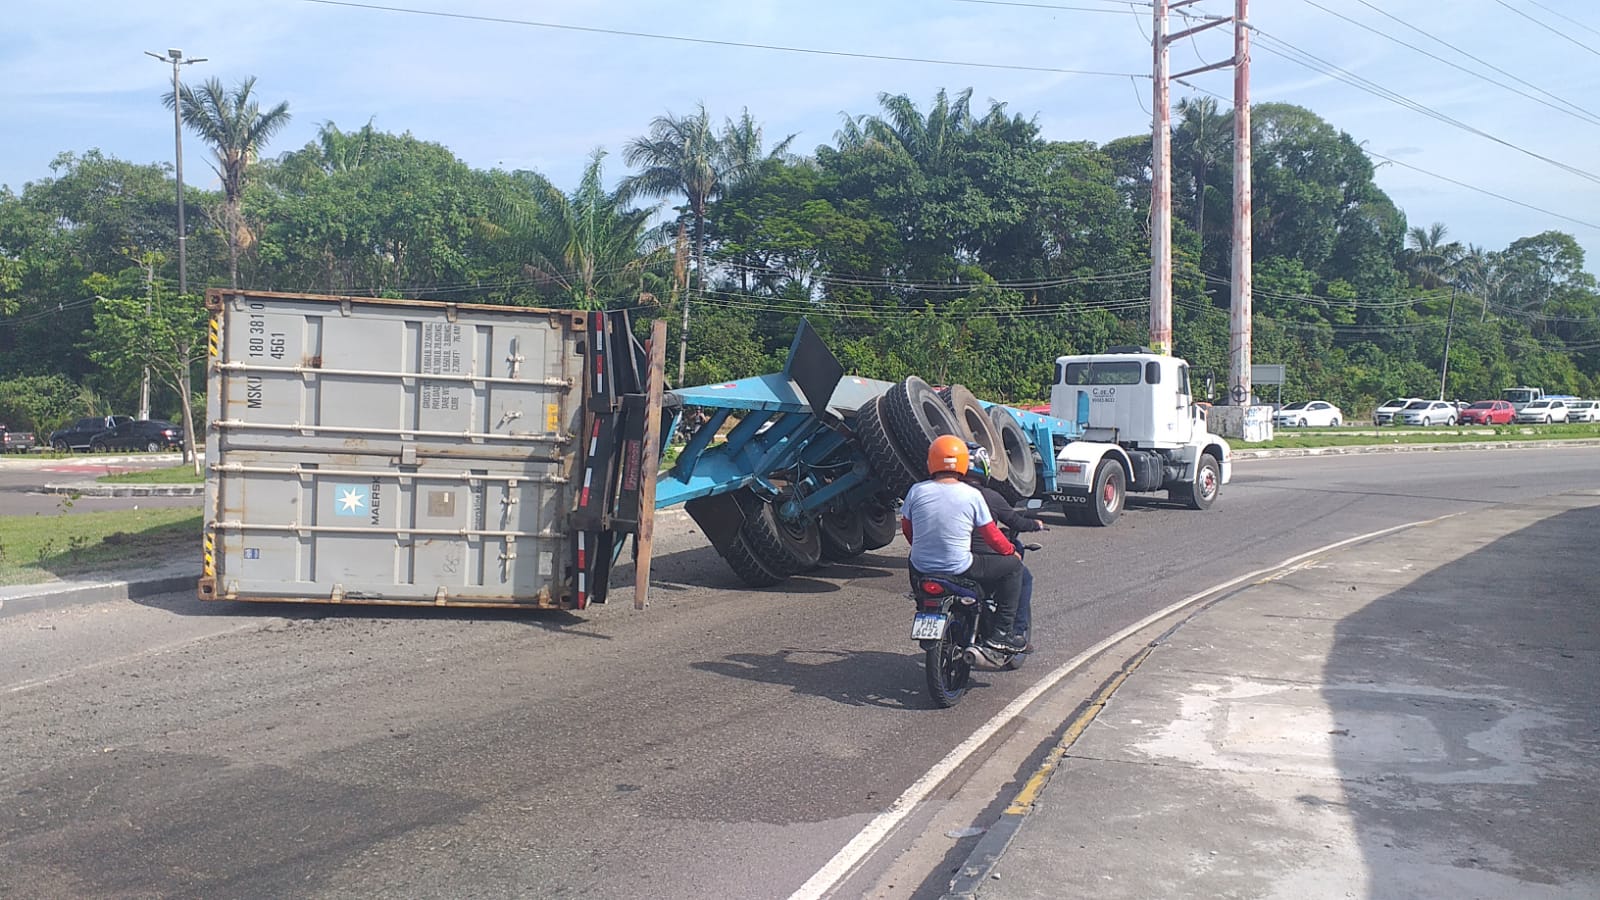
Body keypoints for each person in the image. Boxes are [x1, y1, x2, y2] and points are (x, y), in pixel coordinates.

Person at [900, 435, 1027, 655]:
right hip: (959, 566)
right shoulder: (971, 495)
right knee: (1014, 569)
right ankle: (1003, 633)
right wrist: (1010, 552)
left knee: (914, 562)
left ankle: (923, 607)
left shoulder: (916, 490)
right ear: (961, 463)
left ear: (931, 461)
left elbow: (908, 529)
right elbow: (991, 535)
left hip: (920, 567)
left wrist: (925, 547)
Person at [961, 443, 1045, 649]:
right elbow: (1012, 523)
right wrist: (1035, 525)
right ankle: (1009, 632)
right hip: (979, 562)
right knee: (1022, 576)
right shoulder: (988, 497)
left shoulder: (942, 493)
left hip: (944, 561)